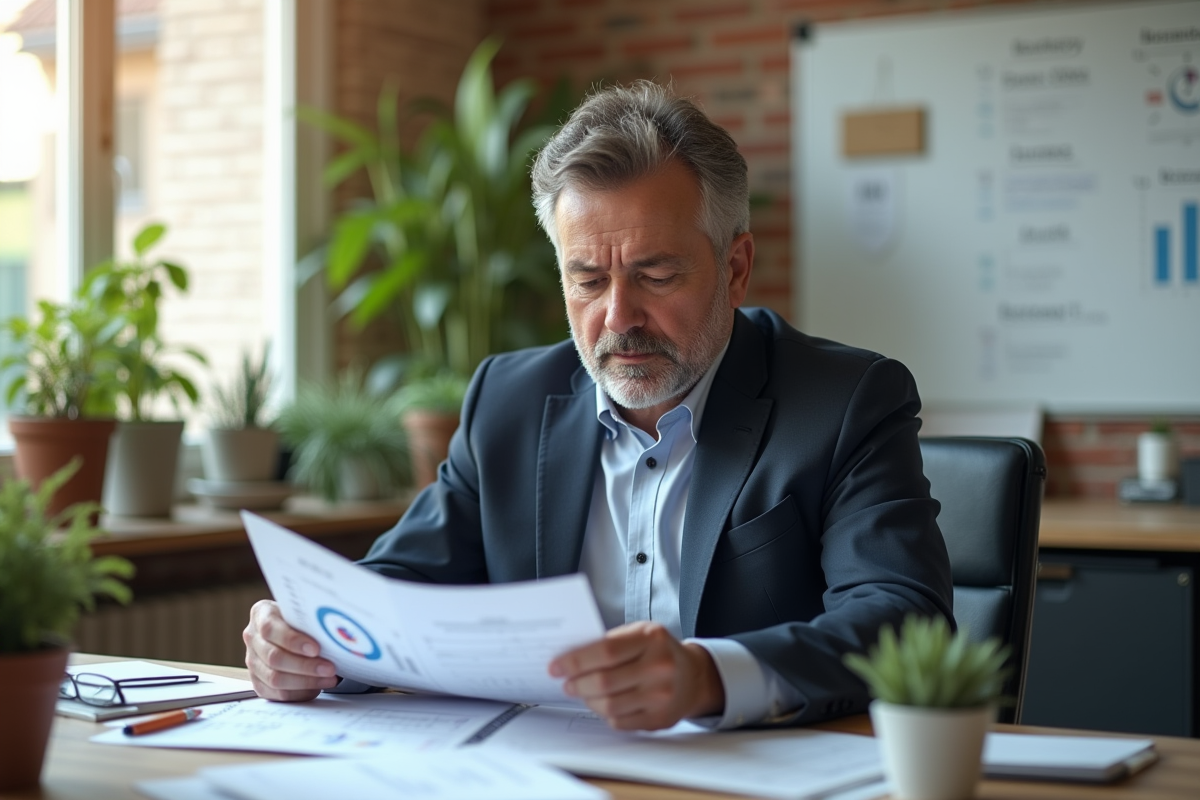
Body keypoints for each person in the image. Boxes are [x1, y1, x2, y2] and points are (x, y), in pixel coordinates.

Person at [244, 80, 953, 732]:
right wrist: (310, 639)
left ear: (735, 269)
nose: (618, 318)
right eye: (587, 280)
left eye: (656, 275)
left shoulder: (845, 401)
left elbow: (901, 617)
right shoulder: (509, 401)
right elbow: (404, 584)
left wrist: (708, 677)